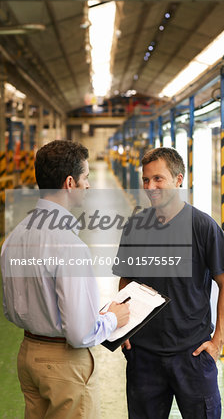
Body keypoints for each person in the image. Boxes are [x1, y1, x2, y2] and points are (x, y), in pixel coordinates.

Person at [1, 140, 130, 419]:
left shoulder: (15, 237)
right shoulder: (68, 245)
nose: (88, 185)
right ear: (70, 182)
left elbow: (11, 308)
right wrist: (112, 320)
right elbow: (80, 333)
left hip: (28, 357)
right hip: (64, 365)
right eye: (85, 177)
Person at [113, 147, 224, 419]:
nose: (150, 186)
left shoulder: (203, 226)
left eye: (158, 179)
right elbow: (125, 279)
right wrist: (126, 328)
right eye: (146, 180)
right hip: (144, 355)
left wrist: (218, 342)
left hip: (192, 354)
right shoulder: (135, 226)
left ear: (179, 180)